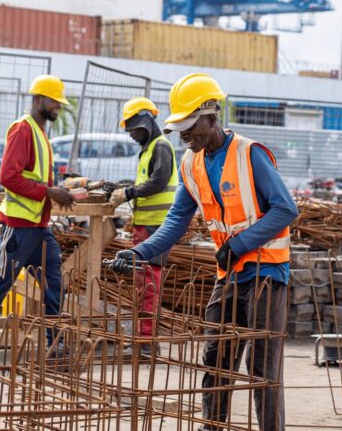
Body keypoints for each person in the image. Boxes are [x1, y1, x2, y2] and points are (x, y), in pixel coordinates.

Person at [109, 73, 298, 430]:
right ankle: (213, 427)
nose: (183, 135)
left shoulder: (250, 154)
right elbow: (177, 219)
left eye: (189, 126)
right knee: (215, 359)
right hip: (229, 274)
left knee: (262, 368)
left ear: (212, 116)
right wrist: (141, 253)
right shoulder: (191, 163)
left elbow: (286, 209)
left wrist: (238, 244)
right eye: (179, 127)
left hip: (267, 273)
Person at [0, 74, 75, 364]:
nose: (58, 106)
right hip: (19, 228)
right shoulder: (23, 130)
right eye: (54, 101)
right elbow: (8, 177)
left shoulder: (41, 133)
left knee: (55, 283)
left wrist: (56, 191)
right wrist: (49, 192)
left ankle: (54, 345)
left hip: (38, 228)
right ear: (38, 99)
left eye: (59, 102)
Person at [109, 97, 178, 356]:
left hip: (156, 228)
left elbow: (158, 182)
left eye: (134, 129)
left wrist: (127, 193)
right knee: (142, 284)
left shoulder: (160, 147)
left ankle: (148, 342)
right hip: (147, 226)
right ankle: (143, 338)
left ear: (146, 121)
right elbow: (147, 183)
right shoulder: (149, 148)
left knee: (148, 284)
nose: (131, 135)